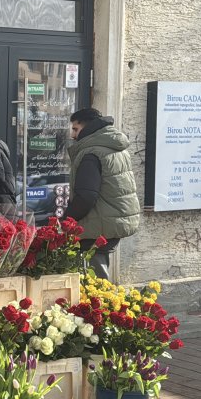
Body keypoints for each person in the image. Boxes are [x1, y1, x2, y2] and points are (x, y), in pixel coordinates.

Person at [65, 108, 140, 280]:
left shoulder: (91, 153)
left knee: (94, 282)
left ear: (87, 127)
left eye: (75, 129)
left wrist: (67, 220)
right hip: (111, 222)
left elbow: (86, 196)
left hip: (96, 226)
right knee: (98, 278)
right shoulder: (114, 147)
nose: (73, 135)